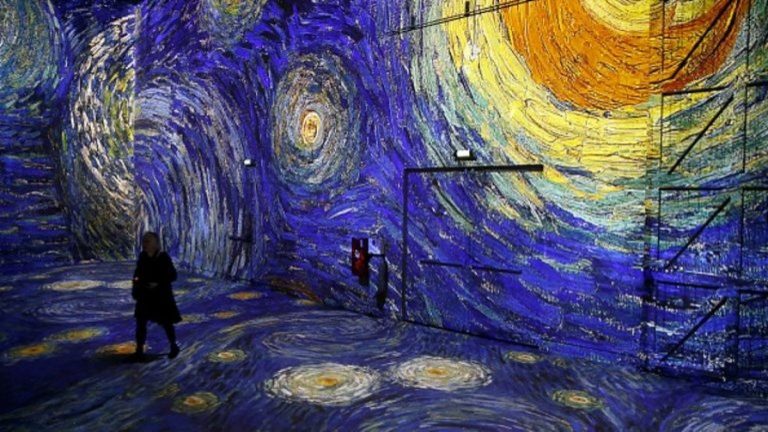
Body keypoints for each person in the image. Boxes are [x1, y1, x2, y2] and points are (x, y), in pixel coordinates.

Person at [131, 231, 182, 360]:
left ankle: (173, 346)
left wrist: (158, 282)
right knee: (141, 322)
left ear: (155, 243)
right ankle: (139, 350)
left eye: (147, 241)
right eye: (144, 241)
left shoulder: (163, 257)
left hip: (161, 297)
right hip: (145, 295)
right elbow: (137, 274)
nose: (144, 244)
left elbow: (172, 275)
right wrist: (136, 288)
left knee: (166, 322)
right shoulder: (143, 257)